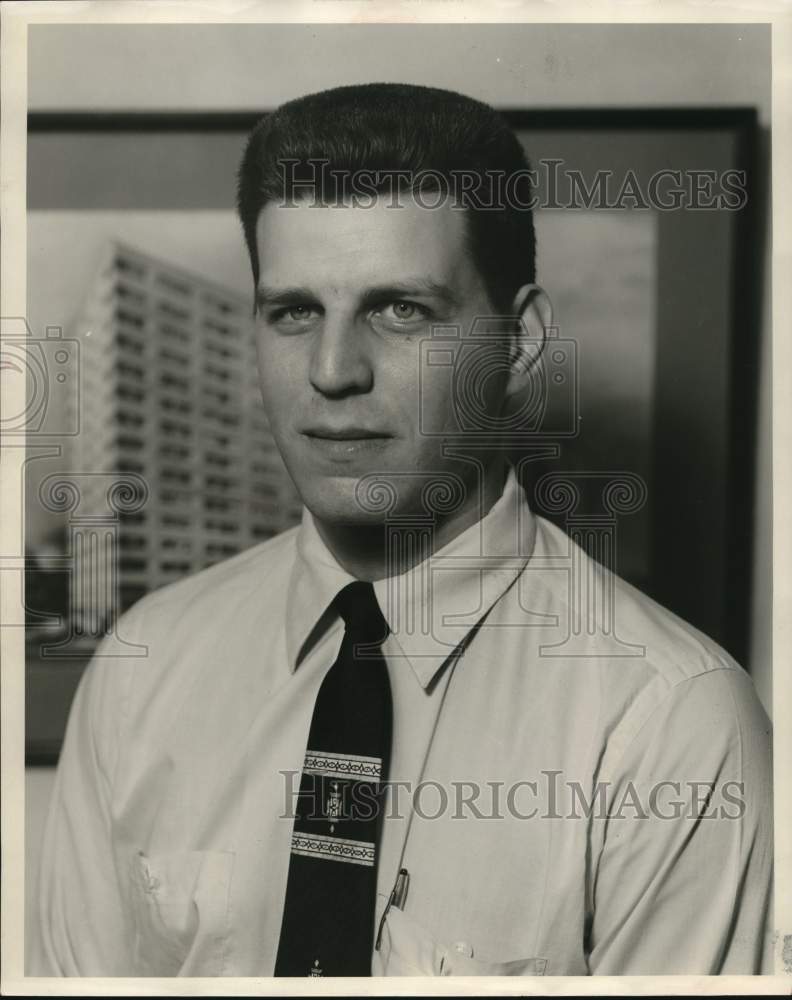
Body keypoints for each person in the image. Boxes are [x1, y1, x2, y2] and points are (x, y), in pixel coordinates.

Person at [32, 83, 773, 977]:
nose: (334, 371)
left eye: (401, 310)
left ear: (522, 342)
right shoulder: (140, 668)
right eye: (295, 310)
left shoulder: (669, 723)